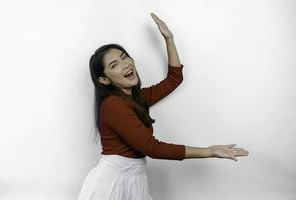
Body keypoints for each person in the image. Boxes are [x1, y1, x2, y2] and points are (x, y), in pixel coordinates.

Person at [77, 12, 249, 200]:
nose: (125, 64)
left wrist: (169, 39)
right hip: (112, 183)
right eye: (114, 65)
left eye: (125, 57)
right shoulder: (113, 106)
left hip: (135, 178)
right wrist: (209, 151)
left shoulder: (138, 98)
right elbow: (153, 148)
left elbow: (175, 78)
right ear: (104, 79)